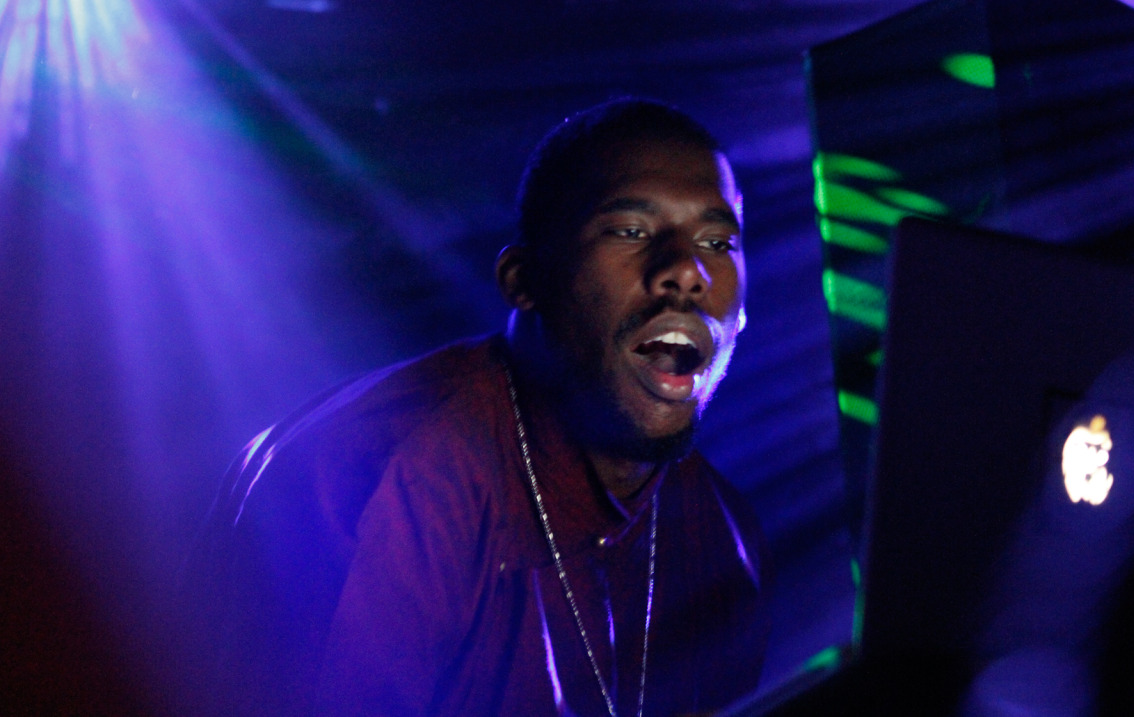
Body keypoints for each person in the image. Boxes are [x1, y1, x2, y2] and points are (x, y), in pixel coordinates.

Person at [182, 99, 771, 717]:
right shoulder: (381, 472)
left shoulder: (724, 540)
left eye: (717, 240)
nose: (686, 270)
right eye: (630, 231)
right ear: (523, 281)